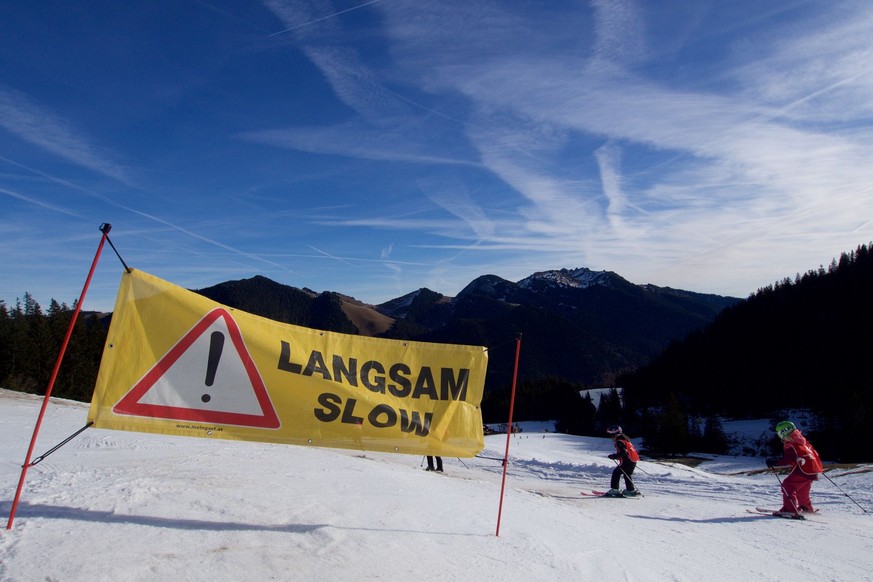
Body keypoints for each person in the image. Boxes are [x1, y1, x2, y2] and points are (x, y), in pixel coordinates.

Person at [766, 421, 823, 515]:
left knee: (788, 485)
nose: (779, 436)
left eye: (779, 433)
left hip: (803, 470)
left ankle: (789, 509)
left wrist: (776, 462)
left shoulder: (790, 443)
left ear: (783, 432)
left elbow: (791, 457)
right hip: (812, 469)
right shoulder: (803, 441)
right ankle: (806, 508)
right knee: (802, 489)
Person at [605, 425, 640, 497]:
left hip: (627, 462)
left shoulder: (619, 441)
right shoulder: (625, 440)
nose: (612, 438)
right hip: (633, 461)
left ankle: (615, 490)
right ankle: (631, 490)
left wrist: (614, 456)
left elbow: (623, 453)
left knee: (616, 473)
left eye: (612, 435)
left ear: (615, 434)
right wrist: (617, 456)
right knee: (627, 475)